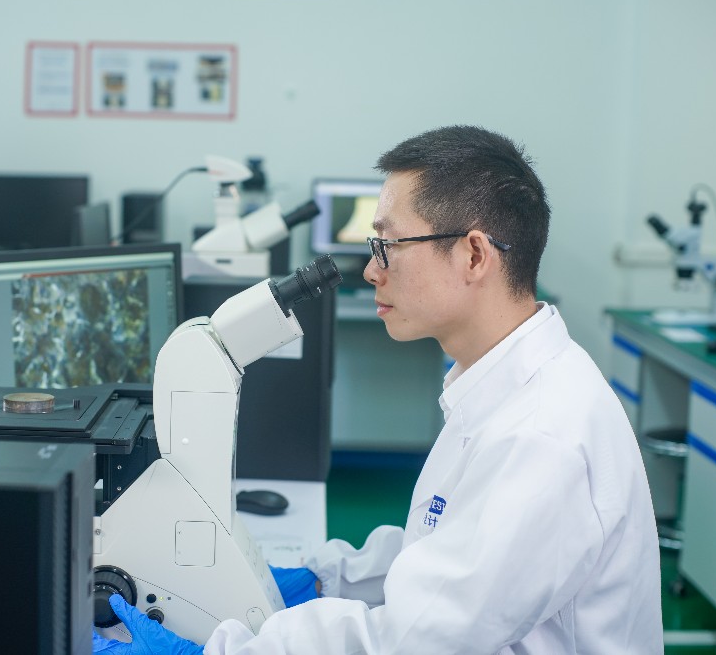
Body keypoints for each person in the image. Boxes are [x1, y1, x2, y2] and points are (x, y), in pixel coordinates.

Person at [93, 125, 664, 654]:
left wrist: (221, 651)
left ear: (473, 255)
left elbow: (410, 642)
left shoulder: (540, 437)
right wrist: (330, 577)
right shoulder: (503, 389)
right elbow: (450, 549)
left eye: (388, 246)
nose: (371, 270)